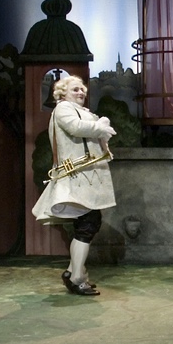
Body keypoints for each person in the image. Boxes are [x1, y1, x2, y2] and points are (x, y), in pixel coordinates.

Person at [32, 75, 116, 296]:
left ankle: (73, 272)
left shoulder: (81, 111)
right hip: (76, 175)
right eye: (75, 89)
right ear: (63, 92)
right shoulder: (63, 109)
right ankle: (77, 276)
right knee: (88, 223)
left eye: (83, 90)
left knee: (88, 222)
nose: (81, 92)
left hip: (85, 175)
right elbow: (76, 127)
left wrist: (100, 131)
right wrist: (99, 126)